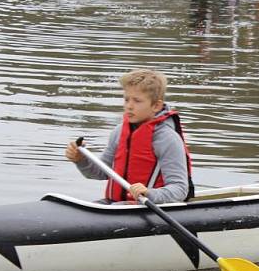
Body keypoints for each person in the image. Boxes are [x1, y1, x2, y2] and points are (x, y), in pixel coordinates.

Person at [65, 69, 193, 204]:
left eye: (137, 101)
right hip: (116, 205)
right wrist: (81, 160)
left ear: (156, 105)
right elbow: (99, 173)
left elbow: (179, 190)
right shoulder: (119, 132)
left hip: (150, 208)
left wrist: (149, 193)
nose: (129, 106)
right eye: (127, 100)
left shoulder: (168, 139)